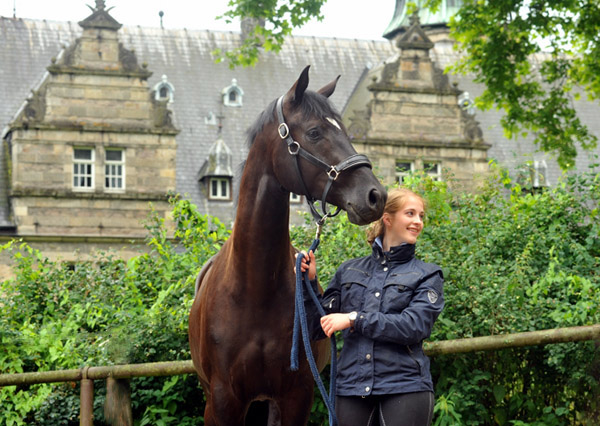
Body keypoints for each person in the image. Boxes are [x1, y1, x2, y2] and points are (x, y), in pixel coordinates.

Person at [298, 187, 444, 426]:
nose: (418, 221)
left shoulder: (427, 274)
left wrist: (356, 319)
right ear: (388, 218)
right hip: (351, 387)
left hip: (406, 386)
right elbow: (316, 326)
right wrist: (310, 282)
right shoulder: (349, 270)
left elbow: (414, 326)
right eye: (410, 214)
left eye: (421, 216)